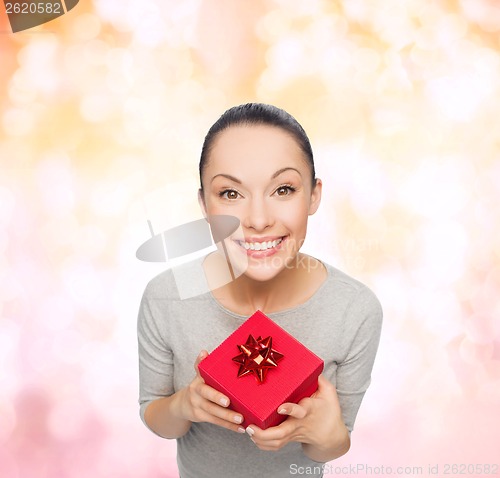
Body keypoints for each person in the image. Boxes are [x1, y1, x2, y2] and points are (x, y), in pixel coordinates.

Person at [137, 103, 383, 478]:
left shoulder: (355, 309)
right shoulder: (166, 296)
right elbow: (155, 415)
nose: (258, 220)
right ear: (204, 204)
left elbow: (331, 447)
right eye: (230, 193)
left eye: (283, 189)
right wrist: (186, 405)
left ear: (314, 196)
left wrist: (322, 432)